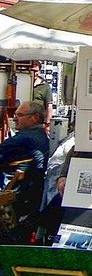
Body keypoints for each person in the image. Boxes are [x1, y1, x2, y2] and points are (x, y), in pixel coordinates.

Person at [0, 101, 51, 243]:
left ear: (34, 117)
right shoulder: (41, 135)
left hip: (14, 200)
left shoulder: (24, 139)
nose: (15, 118)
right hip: (29, 198)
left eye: (19, 115)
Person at [29, 61, 53, 132]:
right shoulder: (23, 82)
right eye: (32, 70)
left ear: (39, 71)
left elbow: (49, 106)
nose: (34, 73)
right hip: (24, 120)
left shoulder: (45, 87)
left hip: (38, 122)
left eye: (36, 71)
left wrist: (47, 123)